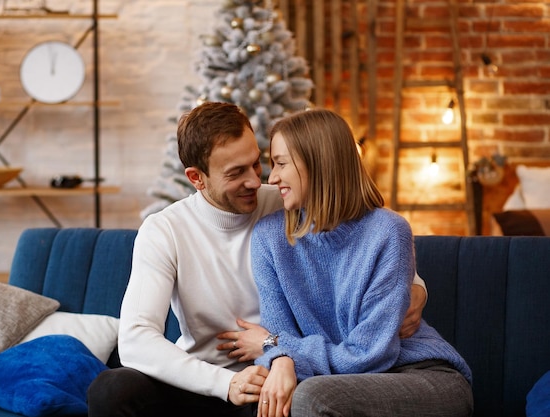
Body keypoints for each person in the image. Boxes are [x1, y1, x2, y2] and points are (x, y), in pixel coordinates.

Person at [87, 102, 428, 417]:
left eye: (256, 163)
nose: (256, 180)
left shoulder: (287, 201)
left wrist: (415, 286)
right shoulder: (165, 230)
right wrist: (224, 384)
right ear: (196, 178)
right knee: (112, 390)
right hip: (205, 379)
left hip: (280, 376)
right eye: (236, 173)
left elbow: (367, 233)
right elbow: (135, 339)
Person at [250, 108, 473, 417]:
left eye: (281, 164)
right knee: (279, 396)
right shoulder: (269, 239)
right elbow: (280, 336)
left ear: (317, 162)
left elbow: (371, 353)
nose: (272, 178)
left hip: (421, 375)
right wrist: (281, 356)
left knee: (310, 398)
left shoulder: (387, 231)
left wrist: (281, 349)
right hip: (341, 383)